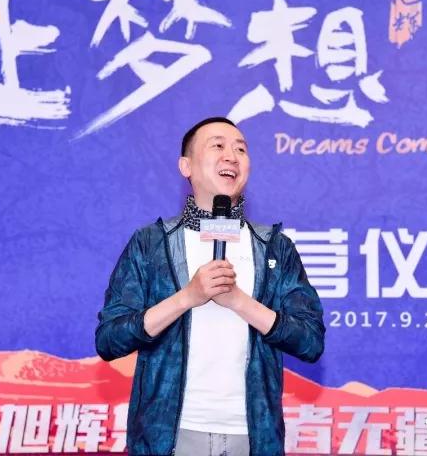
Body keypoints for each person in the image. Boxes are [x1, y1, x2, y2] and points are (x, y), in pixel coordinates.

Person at [95, 116, 325, 456]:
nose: (231, 156)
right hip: (170, 435)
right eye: (217, 146)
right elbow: (110, 339)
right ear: (186, 166)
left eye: (241, 149)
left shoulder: (274, 248)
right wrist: (189, 297)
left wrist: (239, 301)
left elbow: (310, 341)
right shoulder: (151, 243)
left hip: (252, 435)